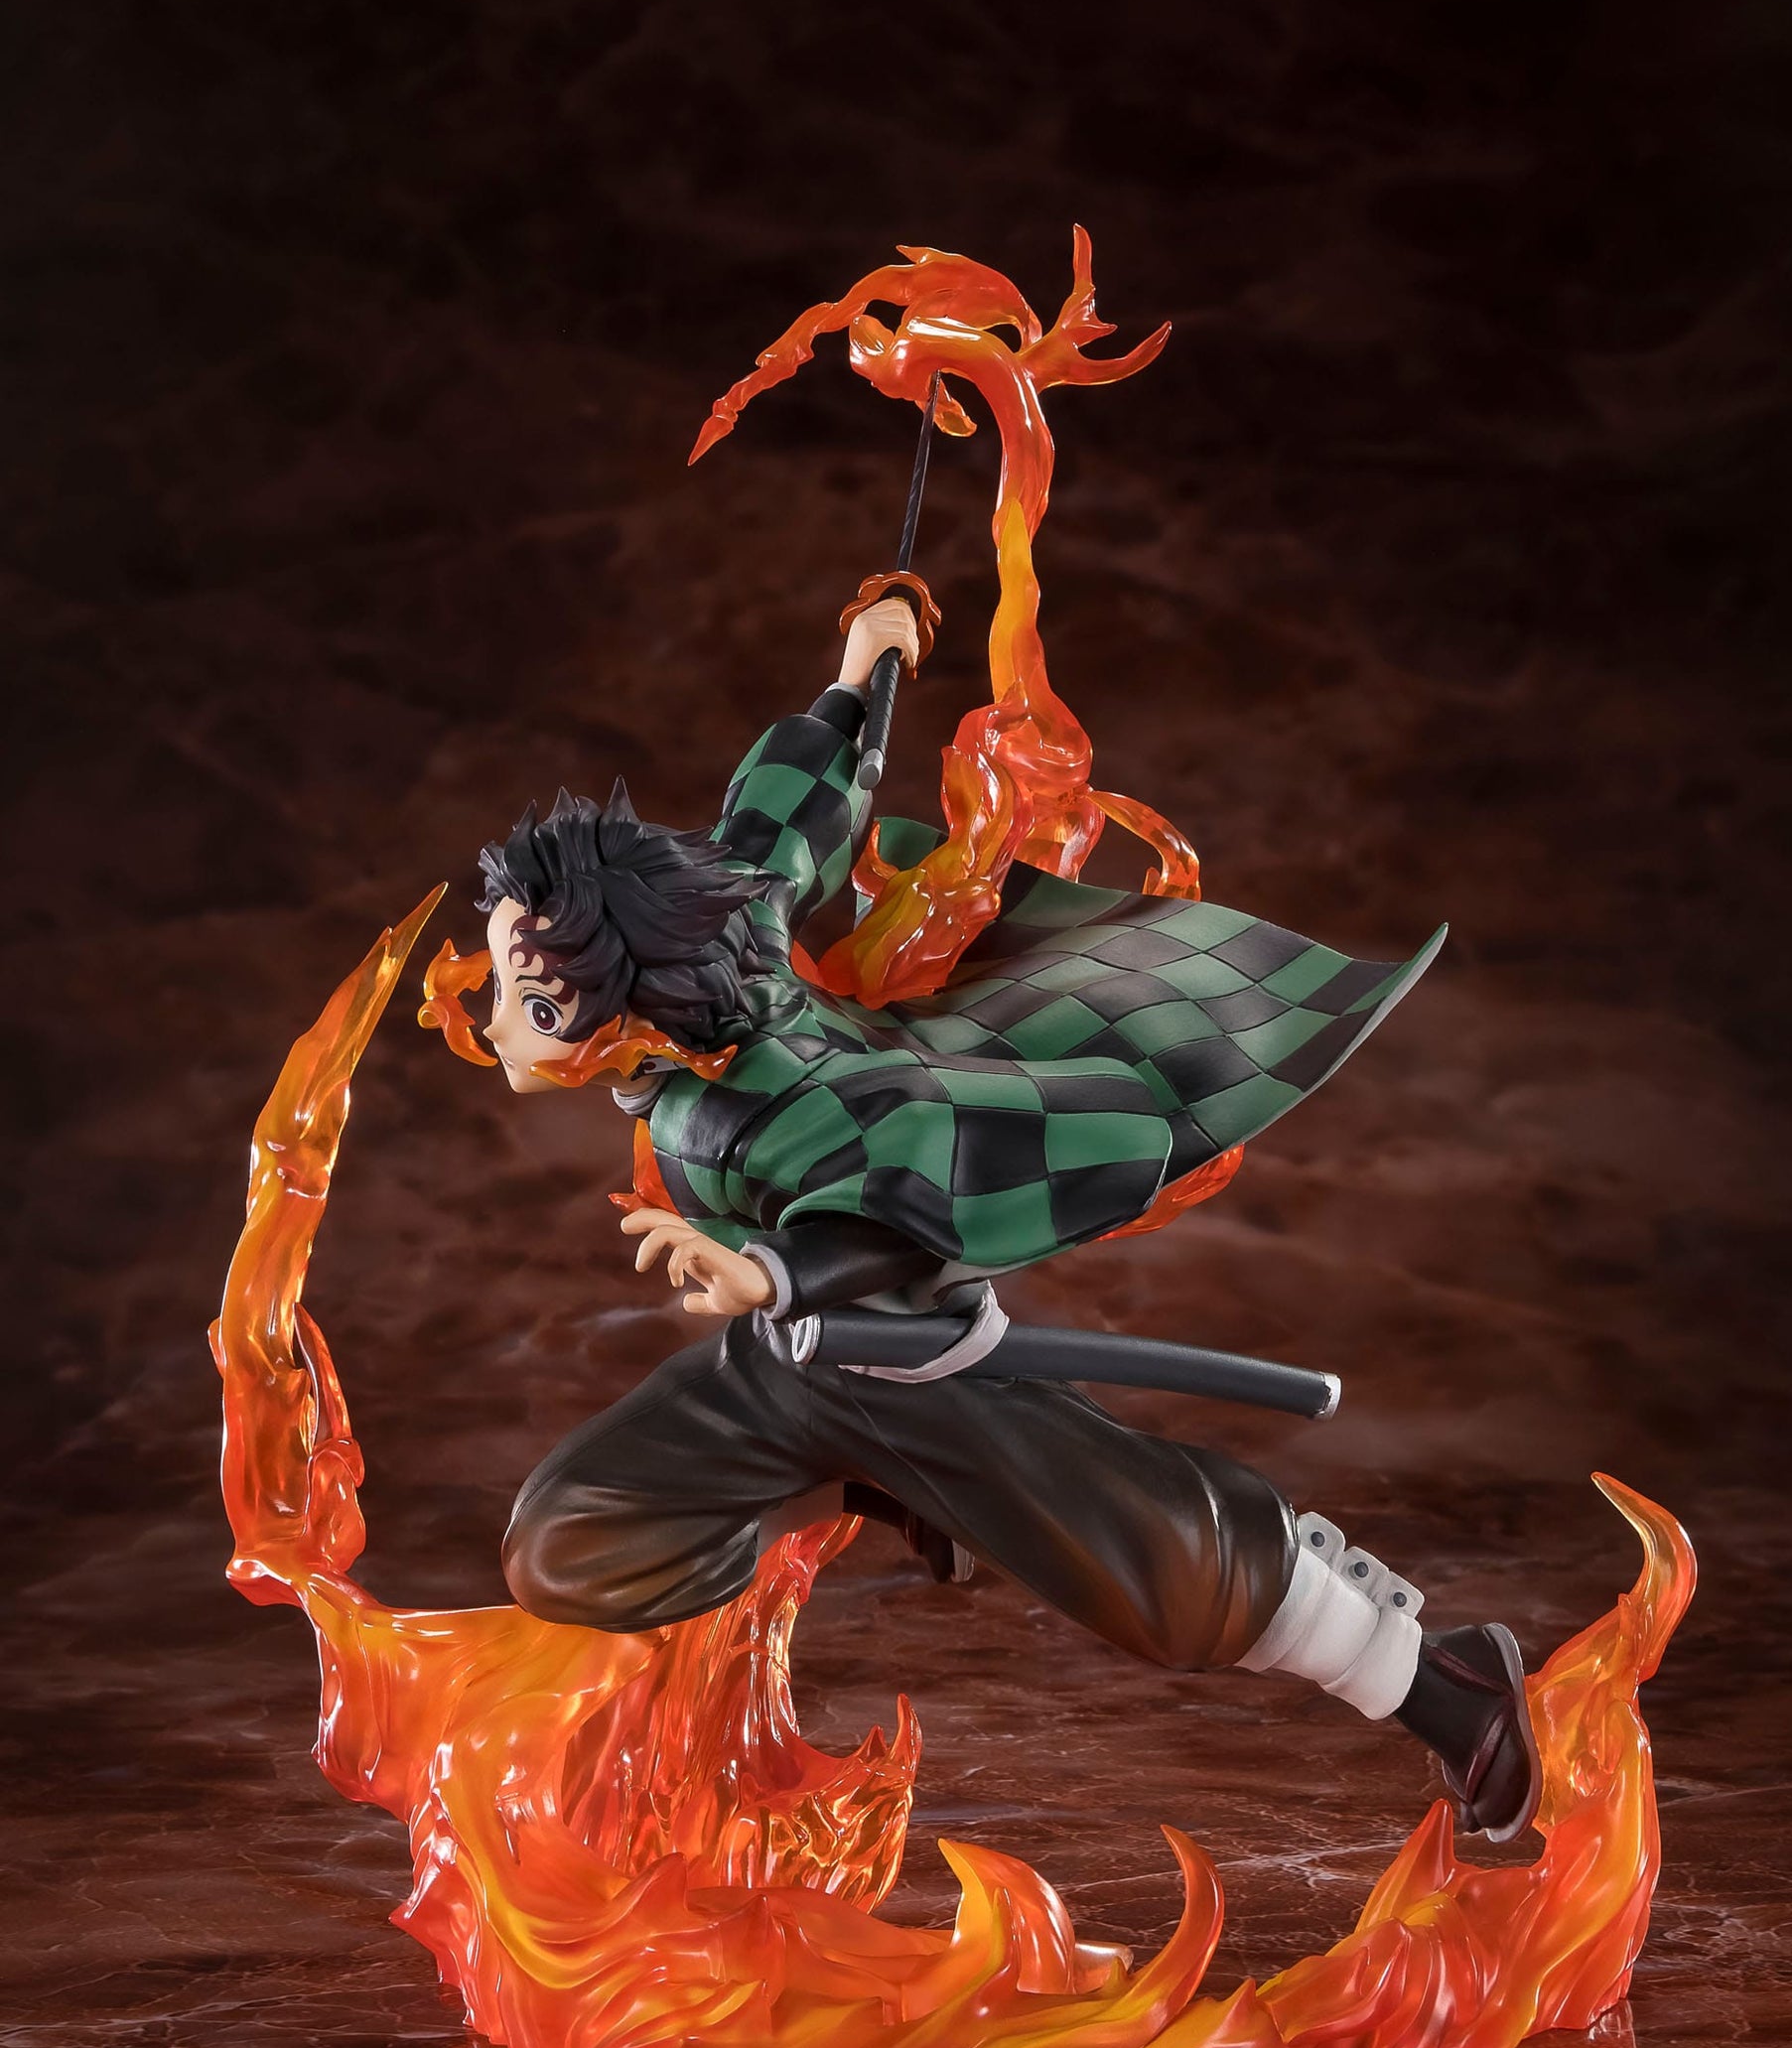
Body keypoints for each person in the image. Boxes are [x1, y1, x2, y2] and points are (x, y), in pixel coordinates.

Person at [475, 594, 1542, 1843]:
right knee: (571, 1540)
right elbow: (780, 817)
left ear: (628, 1011)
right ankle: (848, 1503)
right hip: (784, 1369)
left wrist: (773, 1274)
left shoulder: (804, 1098)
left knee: (1173, 1578)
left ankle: (1445, 1682)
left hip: (916, 1370)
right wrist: (859, 674)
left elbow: (896, 1205)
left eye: (530, 1005)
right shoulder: (729, 930)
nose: (497, 1023)